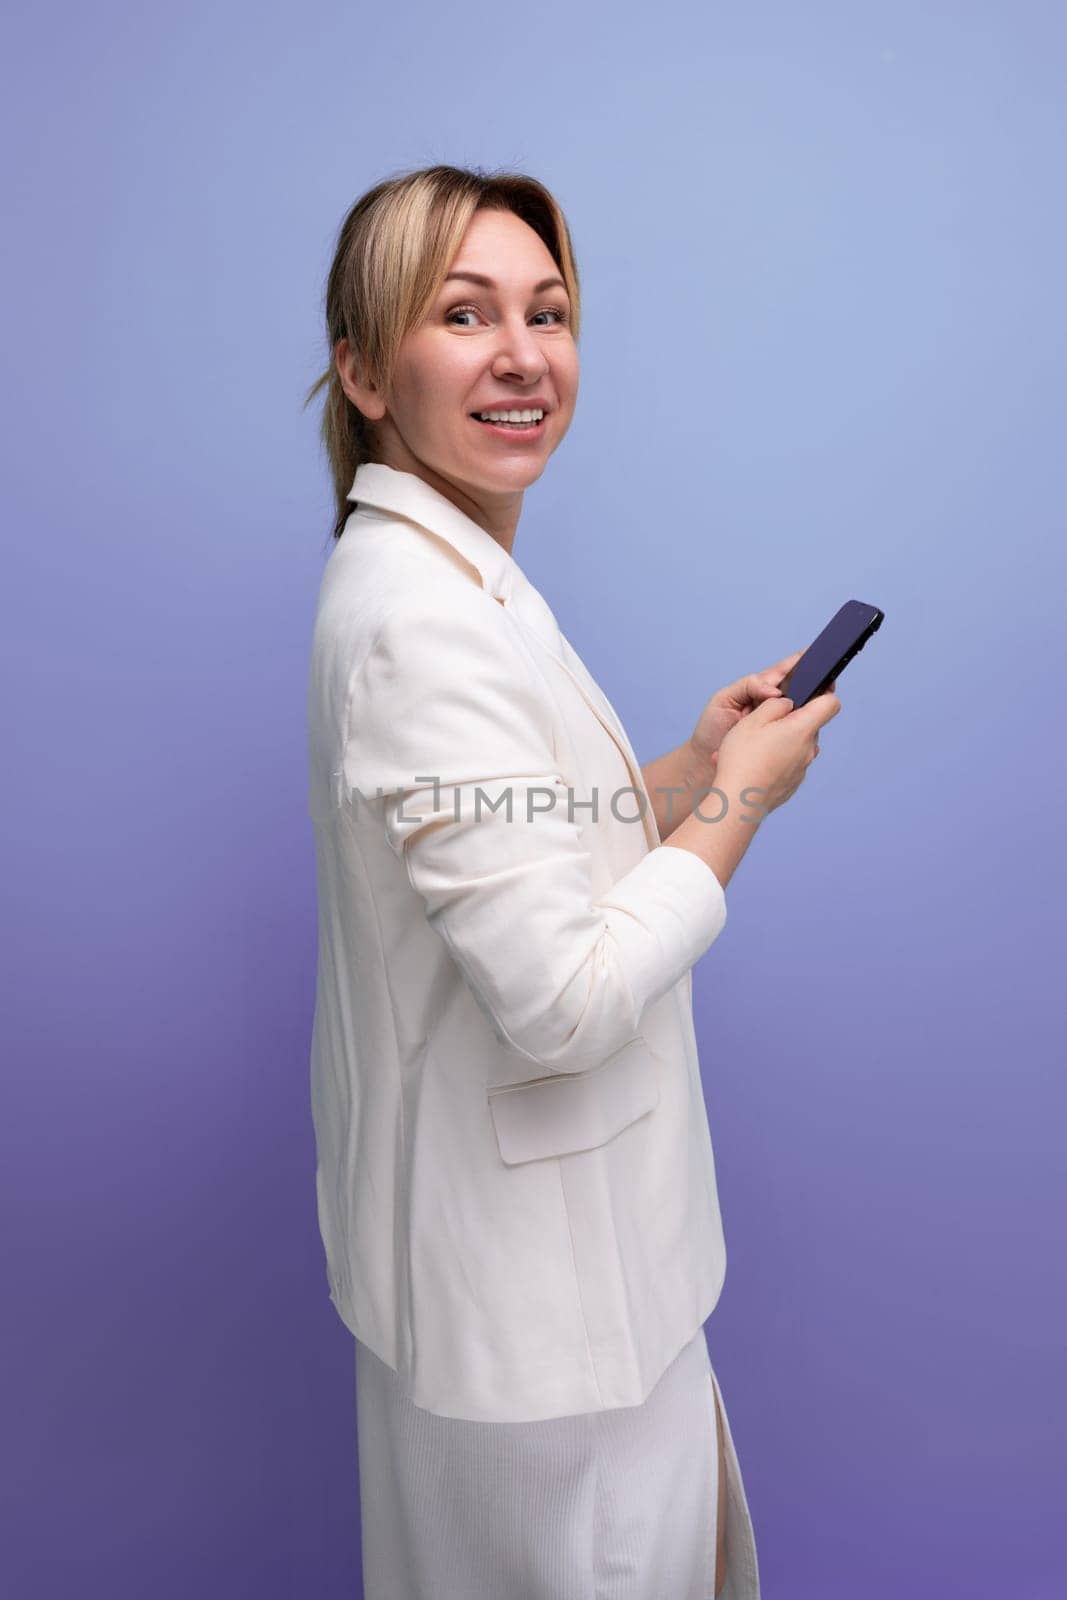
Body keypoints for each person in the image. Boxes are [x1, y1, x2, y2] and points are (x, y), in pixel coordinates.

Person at [304, 163, 840, 1600]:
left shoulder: (444, 567)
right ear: (361, 368)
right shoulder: (426, 623)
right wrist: (740, 805)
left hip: (540, 1300)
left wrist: (684, 766)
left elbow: (517, 836)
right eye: (463, 314)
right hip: (549, 1337)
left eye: (548, 312)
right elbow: (563, 996)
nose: (524, 355)